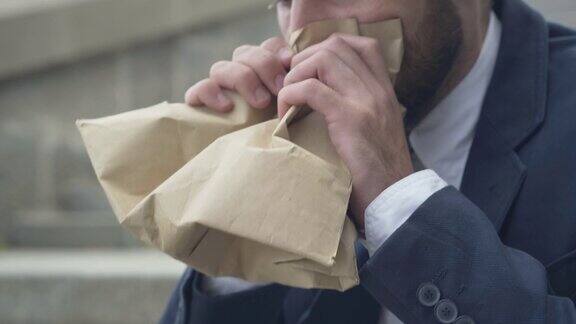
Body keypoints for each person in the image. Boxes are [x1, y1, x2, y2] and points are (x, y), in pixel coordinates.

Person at [161, 0, 576, 323]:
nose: (301, 30)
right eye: (284, 1)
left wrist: (397, 200)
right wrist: (245, 247)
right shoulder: (300, 137)